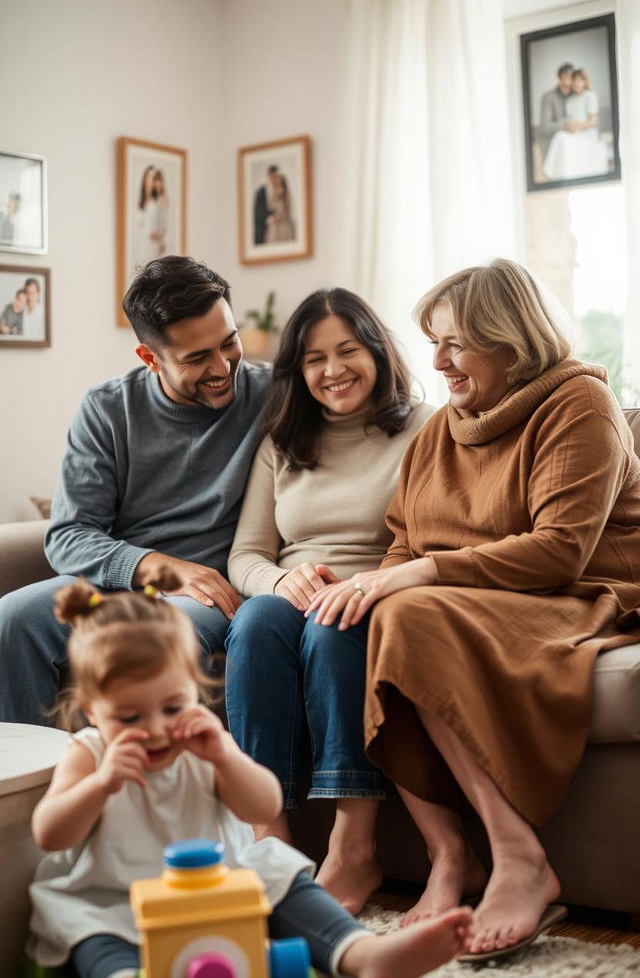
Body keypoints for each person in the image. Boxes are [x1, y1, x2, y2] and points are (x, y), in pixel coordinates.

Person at [306, 259, 640, 960]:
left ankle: (521, 859)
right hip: (478, 599)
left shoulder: (579, 403)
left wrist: (418, 575)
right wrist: (375, 585)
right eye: (433, 341)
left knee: (409, 610)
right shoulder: (443, 430)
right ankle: (451, 856)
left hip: (581, 596)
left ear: (510, 341)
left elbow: (559, 552)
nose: (437, 361)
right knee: (365, 613)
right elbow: (402, 542)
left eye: (454, 342)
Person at [27, 575, 471, 978]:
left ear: (193, 691)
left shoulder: (201, 743)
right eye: (129, 716)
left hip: (214, 890)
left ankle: (360, 953)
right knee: (92, 931)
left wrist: (225, 758)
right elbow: (49, 834)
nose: (157, 728)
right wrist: (101, 784)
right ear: (92, 710)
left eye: (172, 707)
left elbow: (263, 807)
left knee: (278, 876)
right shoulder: (89, 754)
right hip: (117, 898)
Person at [225, 288, 433, 914]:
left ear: (377, 351)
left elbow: (438, 535)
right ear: (297, 370)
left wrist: (362, 585)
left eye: (347, 350)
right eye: (314, 358)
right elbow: (246, 555)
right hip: (293, 593)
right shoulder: (282, 441)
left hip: (375, 593)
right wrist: (278, 581)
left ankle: (354, 846)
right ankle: (270, 840)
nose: (332, 369)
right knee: (257, 621)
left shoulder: (427, 427)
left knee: (332, 626)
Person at [0, 255, 271, 726]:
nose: (222, 366)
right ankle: (35, 793)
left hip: (208, 597)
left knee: (166, 638)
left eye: (228, 343)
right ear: (150, 357)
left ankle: (146, 797)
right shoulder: (107, 409)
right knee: (12, 619)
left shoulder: (274, 393)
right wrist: (158, 567)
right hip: (113, 585)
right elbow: (69, 535)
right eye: (196, 357)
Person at [543, 68, 608, 180]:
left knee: (561, 137)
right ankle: (552, 173)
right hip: (574, 134)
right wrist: (569, 126)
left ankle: (549, 171)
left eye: (579, 80)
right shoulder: (570, 100)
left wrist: (577, 127)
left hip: (588, 135)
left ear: (584, 81)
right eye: (574, 80)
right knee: (560, 135)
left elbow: (593, 121)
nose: (576, 83)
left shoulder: (590, 95)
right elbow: (570, 119)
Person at [538, 62, 574, 161]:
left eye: (571, 77)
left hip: (572, 142)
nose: (568, 80)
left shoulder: (577, 95)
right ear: (560, 78)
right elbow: (545, 126)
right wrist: (566, 126)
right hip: (552, 142)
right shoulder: (548, 97)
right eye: (566, 76)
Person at [253, 164, 280, 245]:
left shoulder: (280, 191)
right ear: (269, 176)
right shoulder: (261, 191)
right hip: (263, 229)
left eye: (276, 176)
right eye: (272, 176)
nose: (274, 179)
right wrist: (270, 217)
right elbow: (258, 212)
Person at [265, 172, 295, 243]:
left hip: (284, 225)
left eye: (279, 182)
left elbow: (288, 212)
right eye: (276, 182)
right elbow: (270, 208)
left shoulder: (287, 195)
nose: (277, 183)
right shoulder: (272, 194)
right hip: (274, 226)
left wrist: (282, 217)